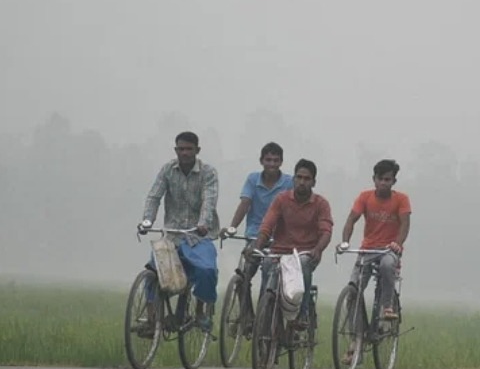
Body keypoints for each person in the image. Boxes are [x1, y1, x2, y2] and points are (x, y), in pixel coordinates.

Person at [137, 131, 219, 331]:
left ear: (197, 150)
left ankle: (200, 310)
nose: (184, 153)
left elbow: (209, 201)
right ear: (175, 150)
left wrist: (203, 223)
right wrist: (147, 220)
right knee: (153, 270)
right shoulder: (168, 170)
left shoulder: (208, 173)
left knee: (206, 270)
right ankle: (151, 318)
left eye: (189, 149)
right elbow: (154, 196)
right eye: (181, 149)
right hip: (172, 235)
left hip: (198, 235)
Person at [253, 159, 334, 325]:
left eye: (307, 179)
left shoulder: (321, 204)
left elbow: (326, 231)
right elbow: (267, 224)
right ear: (293, 179)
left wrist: (318, 249)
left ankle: (302, 314)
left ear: (313, 182)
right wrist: (257, 246)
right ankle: (263, 314)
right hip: (280, 251)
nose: (302, 182)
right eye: (299, 177)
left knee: (304, 265)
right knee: (266, 263)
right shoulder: (281, 199)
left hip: (305, 253)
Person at [219, 142, 293, 320]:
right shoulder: (253, 180)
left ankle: (263, 316)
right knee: (244, 274)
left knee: (269, 272)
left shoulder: (289, 182)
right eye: (268, 160)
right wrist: (232, 227)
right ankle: (247, 316)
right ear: (261, 161)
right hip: (254, 235)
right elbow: (245, 204)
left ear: (281, 162)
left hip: (277, 239)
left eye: (275, 160)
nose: (272, 164)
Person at [336, 159, 412, 322]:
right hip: (368, 249)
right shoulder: (365, 197)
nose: (383, 183)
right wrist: (345, 242)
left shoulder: (402, 200)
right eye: (380, 179)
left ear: (393, 181)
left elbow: (405, 225)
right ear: (374, 179)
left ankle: (387, 306)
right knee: (354, 286)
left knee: (387, 265)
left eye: (387, 179)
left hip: (389, 249)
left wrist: (397, 244)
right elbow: (351, 220)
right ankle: (356, 332)